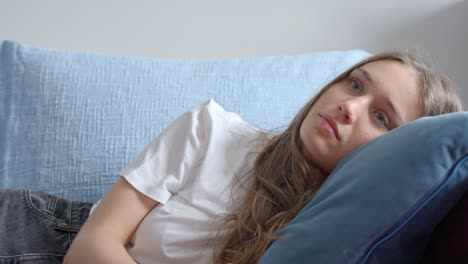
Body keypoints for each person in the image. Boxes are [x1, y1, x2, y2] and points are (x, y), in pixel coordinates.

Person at [0, 51, 463, 264]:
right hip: (39, 234)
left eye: (381, 118)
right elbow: (90, 247)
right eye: (355, 84)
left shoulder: (336, 232)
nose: (349, 105)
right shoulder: (212, 130)